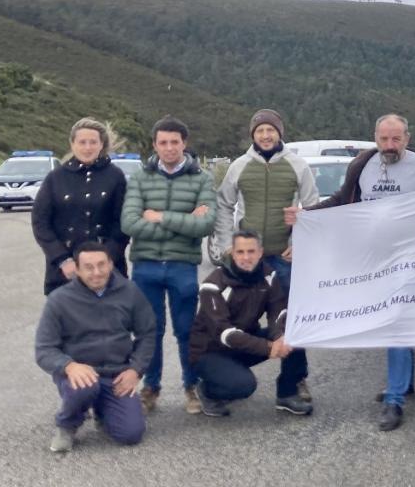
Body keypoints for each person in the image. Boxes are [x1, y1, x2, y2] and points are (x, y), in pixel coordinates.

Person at [308, 113, 415, 431]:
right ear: (375, 137)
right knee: (394, 322)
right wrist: (307, 216)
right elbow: (343, 200)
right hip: (376, 261)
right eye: (384, 138)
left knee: (397, 323)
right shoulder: (362, 164)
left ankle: (394, 400)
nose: (389, 145)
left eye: (396, 139)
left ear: (407, 138)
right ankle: (404, 384)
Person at [212, 109, 319, 403]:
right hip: (248, 261)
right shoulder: (240, 166)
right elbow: (223, 205)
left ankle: (294, 382)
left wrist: (300, 242)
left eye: (271, 130)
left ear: (280, 133)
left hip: (284, 260)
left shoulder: (298, 165)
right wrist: (225, 246)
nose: (266, 135)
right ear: (253, 135)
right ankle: (222, 380)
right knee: (236, 320)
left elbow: (311, 207)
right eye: (260, 131)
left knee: (291, 321)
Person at [120, 115, 217, 416]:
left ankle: (191, 386)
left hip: (182, 266)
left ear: (184, 144)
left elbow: (206, 225)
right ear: (155, 145)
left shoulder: (202, 179)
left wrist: (160, 217)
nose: (169, 147)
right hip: (146, 266)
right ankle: (151, 387)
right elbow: (130, 223)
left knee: (186, 329)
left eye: (175, 142)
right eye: (163, 142)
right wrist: (186, 220)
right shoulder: (139, 178)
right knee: (150, 330)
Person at [34, 241, 156, 454]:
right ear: (77, 269)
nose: (97, 272)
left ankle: (103, 409)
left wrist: (135, 370)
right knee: (85, 387)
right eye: (88, 267)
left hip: (115, 374)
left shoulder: (130, 292)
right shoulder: (59, 300)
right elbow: (44, 349)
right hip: (79, 374)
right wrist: (69, 366)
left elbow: (147, 333)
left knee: (131, 434)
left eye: (102, 265)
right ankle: (67, 425)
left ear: (111, 264)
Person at [188, 230, 311, 418]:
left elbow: (278, 311)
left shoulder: (269, 275)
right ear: (232, 253)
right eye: (240, 252)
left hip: (242, 344)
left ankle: (287, 393)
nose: (246, 257)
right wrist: (268, 347)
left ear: (260, 252)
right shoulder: (212, 285)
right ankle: (207, 391)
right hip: (210, 351)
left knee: (294, 335)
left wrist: (280, 336)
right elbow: (224, 333)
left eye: (251, 251)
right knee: (244, 386)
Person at [32, 117, 129, 295]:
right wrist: (62, 260)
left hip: (108, 271)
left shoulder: (115, 176)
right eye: (82, 142)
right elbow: (40, 223)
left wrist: (105, 261)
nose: (87, 147)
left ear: (101, 144)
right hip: (65, 272)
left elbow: (123, 222)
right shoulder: (56, 177)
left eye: (93, 142)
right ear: (72, 144)